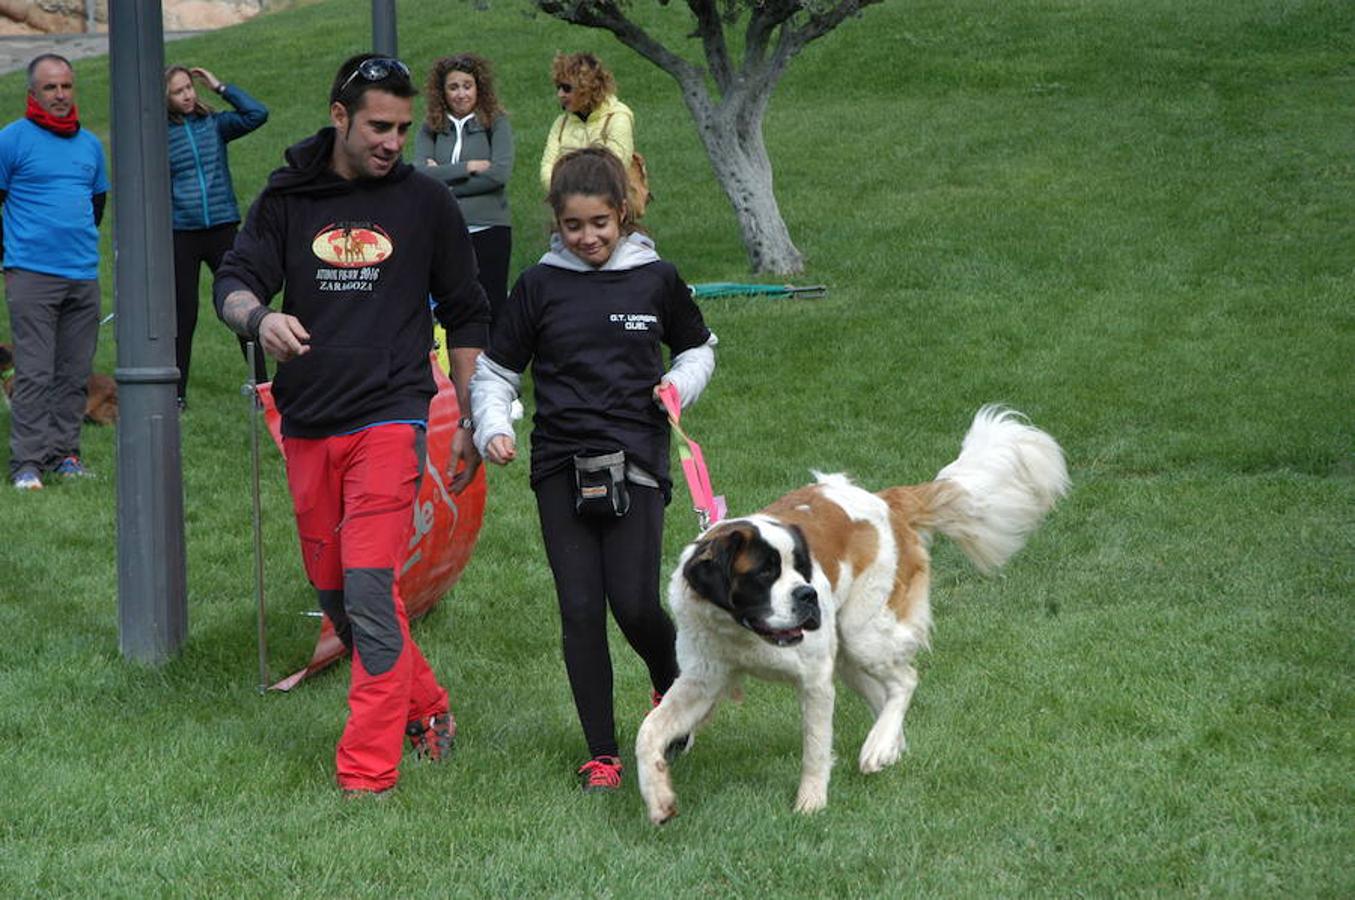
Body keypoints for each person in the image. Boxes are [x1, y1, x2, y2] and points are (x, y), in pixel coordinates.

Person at [212, 53, 491, 796]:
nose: (393, 141)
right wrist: (260, 319)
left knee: (368, 589)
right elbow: (234, 281)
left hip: (390, 417)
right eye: (378, 125)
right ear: (340, 116)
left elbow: (465, 311)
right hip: (307, 421)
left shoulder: (426, 204)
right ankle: (429, 707)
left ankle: (366, 774)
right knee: (338, 595)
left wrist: (468, 414)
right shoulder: (289, 197)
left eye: (403, 127)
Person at [471, 147, 717, 792]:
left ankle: (676, 695)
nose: (588, 238)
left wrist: (676, 385)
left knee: (634, 603)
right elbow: (495, 372)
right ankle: (602, 754)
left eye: (600, 223)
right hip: (559, 461)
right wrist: (494, 426)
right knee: (580, 608)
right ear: (556, 220)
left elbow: (698, 346)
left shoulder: (655, 277)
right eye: (574, 226)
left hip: (636, 454)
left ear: (624, 213)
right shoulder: (537, 286)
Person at [0, 54, 108, 491]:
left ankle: (65, 454)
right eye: (50, 88)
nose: (61, 95)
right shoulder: (11, 140)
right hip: (31, 274)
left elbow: (96, 205)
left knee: (73, 372)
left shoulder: (90, 146)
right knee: (34, 371)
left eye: (66, 86)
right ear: (33, 93)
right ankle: (26, 464)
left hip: (82, 274)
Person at [165, 64, 269, 409]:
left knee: (241, 304)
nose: (188, 95)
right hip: (183, 232)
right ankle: (177, 394)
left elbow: (257, 114)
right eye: (179, 91)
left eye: (190, 88)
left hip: (223, 227)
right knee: (184, 313)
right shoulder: (160, 135)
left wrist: (220, 86)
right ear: (165, 98)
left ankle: (261, 388)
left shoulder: (214, 124)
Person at [415, 54, 514, 318]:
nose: (461, 94)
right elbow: (419, 174)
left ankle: (493, 359)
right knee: (448, 304)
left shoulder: (496, 122)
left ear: (478, 87)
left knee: (491, 303)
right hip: (442, 229)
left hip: (488, 226)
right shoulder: (431, 127)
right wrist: (467, 167)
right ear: (442, 92)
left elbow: (498, 175)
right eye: (453, 87)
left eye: (467, 86)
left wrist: (443, 182)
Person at [538, 53, 634, 193]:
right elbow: (547, 171)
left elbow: (614, 171)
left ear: (588, 88)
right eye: (558, 87)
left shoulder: (618, 117)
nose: (560, 94)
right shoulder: (561, 123)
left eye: (566, 88)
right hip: (568, 205)